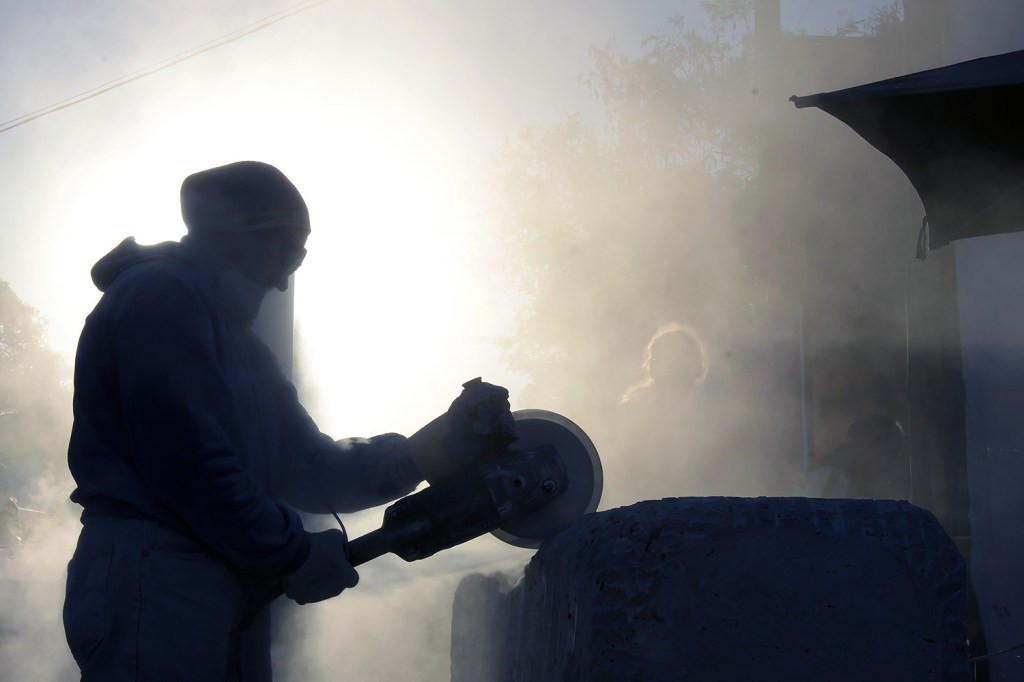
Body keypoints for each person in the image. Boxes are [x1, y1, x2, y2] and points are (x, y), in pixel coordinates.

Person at [62, 161, 516, 682]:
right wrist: (293, 552)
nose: (283, 280)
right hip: (156, 574)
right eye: (289, 252)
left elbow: (311, 468)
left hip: (214, 577)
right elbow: (187, 464)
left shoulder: (241, 347)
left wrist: (430, 449)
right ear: (242, 233)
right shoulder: (158, 297)